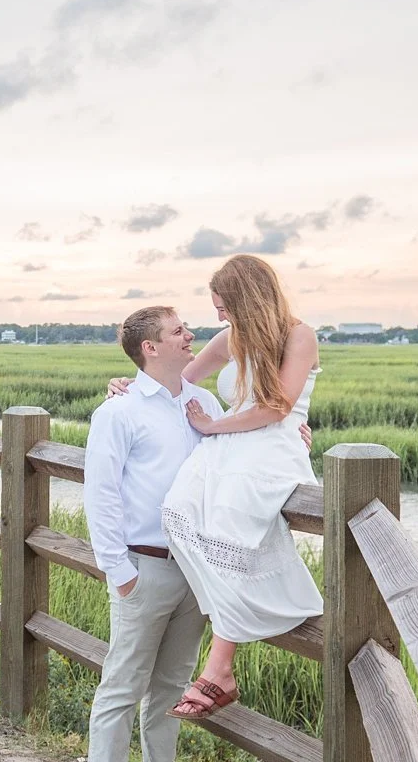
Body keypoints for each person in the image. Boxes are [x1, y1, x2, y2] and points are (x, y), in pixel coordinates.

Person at [79, 303, 309, 762]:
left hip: (196, 570)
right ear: (150, 349)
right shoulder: (120, 411)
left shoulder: (204, 402)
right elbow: (102, 494)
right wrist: (119, 570)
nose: (192, 337)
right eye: (178, 331)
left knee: (171, 684)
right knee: (122, 684)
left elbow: (241, 457)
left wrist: (291, 435)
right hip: (144, 566)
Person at [108, 254, 322, 721]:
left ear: (248, 297)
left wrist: (211, 426)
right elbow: (177, 379)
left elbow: (276, 408)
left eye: (223, 306)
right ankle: (223, 650)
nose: (218, 317)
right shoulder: (233, 338)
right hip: (230, 443)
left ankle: (220, 666)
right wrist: (129, 383)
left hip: (270, 445)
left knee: (231, 522)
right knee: (180, 511)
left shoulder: (299, 336)